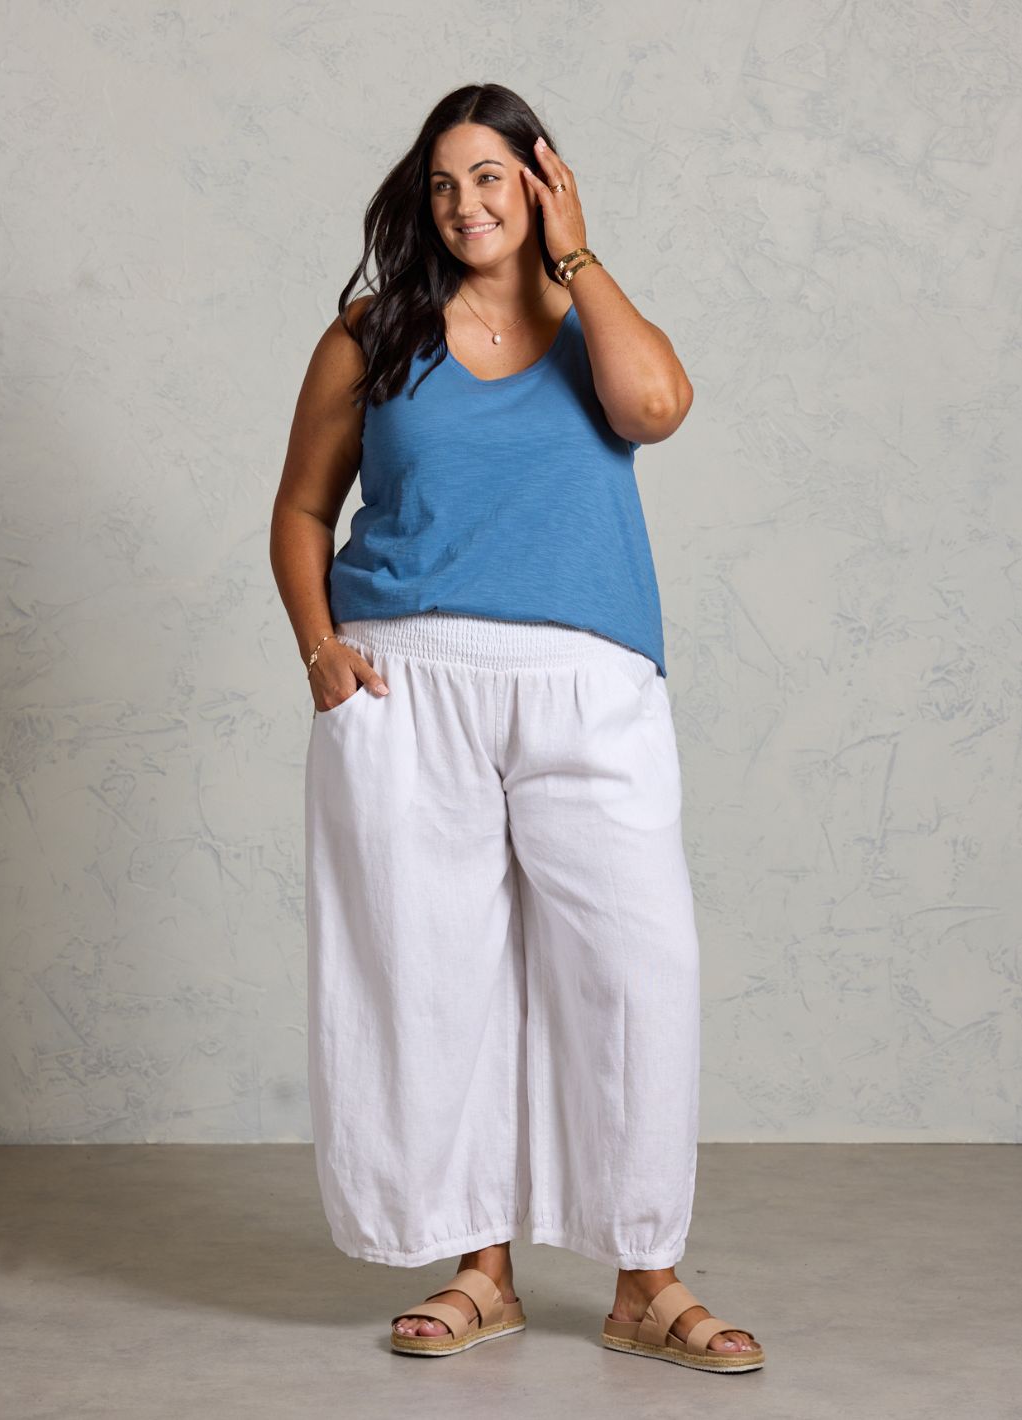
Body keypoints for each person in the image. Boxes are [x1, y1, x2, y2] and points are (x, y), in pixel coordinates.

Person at [270, 83, 764, 1374]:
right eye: (442, 184)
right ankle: (477, 1269)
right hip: (404, 682)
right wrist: (323, 654)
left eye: (491, 176)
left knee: (634, 972)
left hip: (586, 682)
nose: (463, 204)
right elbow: (301, 512)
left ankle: (642, 1282)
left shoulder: (584, 322)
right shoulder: (375, 335)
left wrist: (578, 255)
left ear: (540, 182)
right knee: (434, 982)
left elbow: (656, 408)